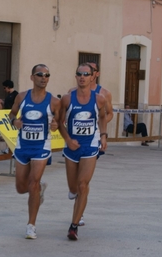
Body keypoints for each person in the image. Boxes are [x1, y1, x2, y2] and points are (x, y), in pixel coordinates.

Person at [9, 64, 60, 239]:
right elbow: (11, 115)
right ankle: (39, 190)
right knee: (21, 187)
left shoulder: (53, 101)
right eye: (40, 74)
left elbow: (58, 123)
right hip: (23, 146)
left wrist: (55, 125)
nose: (43, 78)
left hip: (41, 148)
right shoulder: (22, 97)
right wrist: (14, 122)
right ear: (32, 77)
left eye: (47, 75)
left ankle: (31, 225)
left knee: (33, 183)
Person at [59, 63, 107, 241]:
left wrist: (103, 135)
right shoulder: (67, 98)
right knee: (73, 188)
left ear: (92, 76)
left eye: (86, 74)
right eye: (79, 74)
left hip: (90, 146)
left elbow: (102, 117)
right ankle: (76, 199)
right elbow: (59, 122)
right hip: (72, 147)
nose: (82, 77)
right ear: (76, 76)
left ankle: (74, 226)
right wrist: (68, 140)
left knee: (83, 185)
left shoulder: (99, 99)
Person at [1, 80, 18, 153]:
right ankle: (7, 148)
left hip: (13, 115)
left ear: (8, 87)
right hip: (7, 115)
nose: (4, 90)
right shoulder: (9, 95)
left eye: (4, 88)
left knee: (13, 132)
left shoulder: (15, 94)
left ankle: (10, 148)